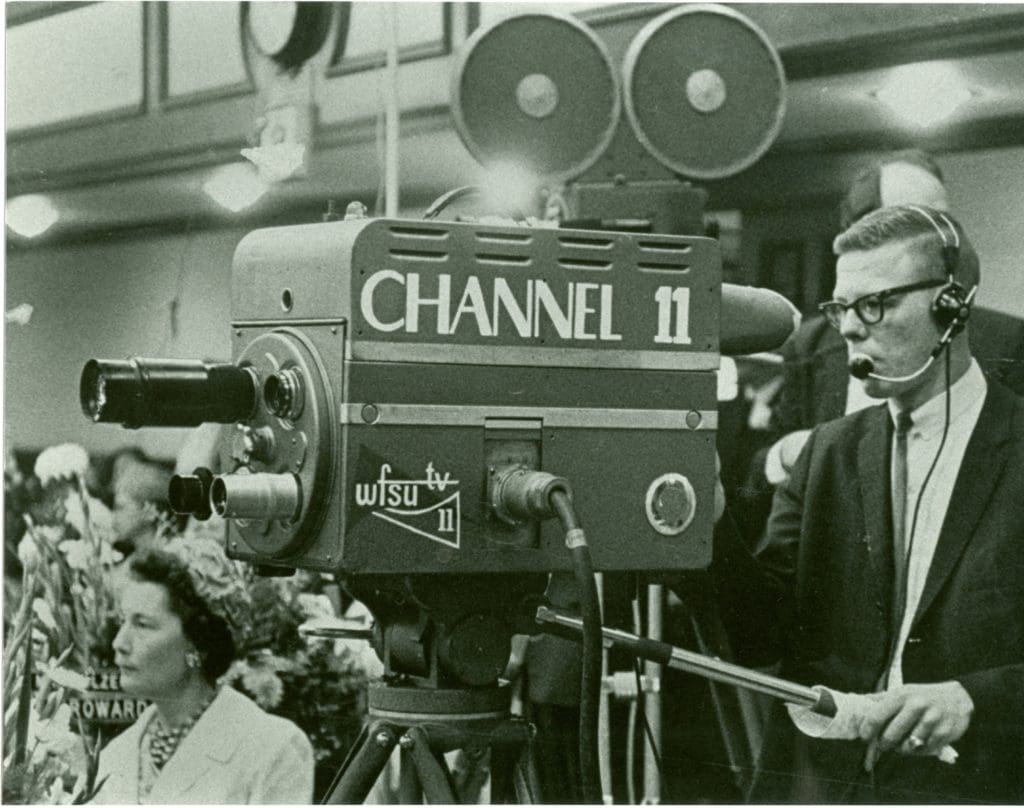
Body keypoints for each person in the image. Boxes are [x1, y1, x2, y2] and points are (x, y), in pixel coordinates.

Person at [709, 205, 1024, 803]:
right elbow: (761, 636)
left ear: (952, 308)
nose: (850, 328)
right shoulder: (828, 452)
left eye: (874, 304)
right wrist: (716, 520)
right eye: (840, 307)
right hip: (822, 786)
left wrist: (974, 696)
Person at [760, 150, 1024, 492]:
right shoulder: (811, 345)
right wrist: (788, 454)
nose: (936, 235)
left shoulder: (1011, 340)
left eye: (940, 219)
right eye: (906, 220)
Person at [92, 537, 314, 804]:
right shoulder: (115, 757)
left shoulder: (271, 748)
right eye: (122, 621)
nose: (120, 643)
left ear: (199, 642)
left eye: (143, 625)